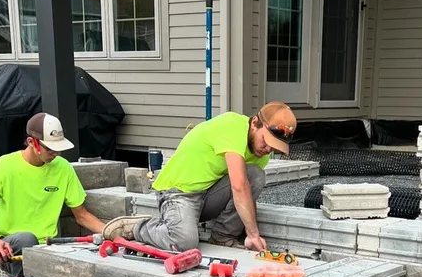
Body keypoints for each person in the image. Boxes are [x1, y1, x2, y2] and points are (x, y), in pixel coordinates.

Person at [102, 102, 297, 252]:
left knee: (255, 175)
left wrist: (249, 229)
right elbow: (238, 186)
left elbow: (245, 191)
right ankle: (138, 227)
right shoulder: (232, 125)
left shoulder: (259, 153)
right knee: (184, 243)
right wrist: (253, 234)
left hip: (206, 197)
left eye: (275, 147)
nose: (268, 149)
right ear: (254, 123)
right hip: (177, 194)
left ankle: (222, 237)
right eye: (267, 141)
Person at [0, 112, 106, 276]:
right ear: (31, 142)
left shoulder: (63, 168)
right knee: (27, 239)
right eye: (50, 149)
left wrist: (110, 232)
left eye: (58, 148)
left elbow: (82, 215)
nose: (55, 153)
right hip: (12, 246)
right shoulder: (5, 166)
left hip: (49, 245)